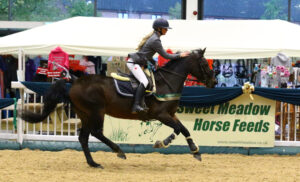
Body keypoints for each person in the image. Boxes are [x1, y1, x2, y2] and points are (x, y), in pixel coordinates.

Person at [127, 18, 189, 114]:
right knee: (144, 81)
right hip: (134, 63)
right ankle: (136, 105)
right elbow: (166, 55)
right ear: (159, 29)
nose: (167, 30)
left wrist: (154, 63)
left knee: (150, 81)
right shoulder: (155, 40)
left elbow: (146, 54)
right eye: (165, 28)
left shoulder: (155, 38)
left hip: (139, 63)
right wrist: (180, 55)